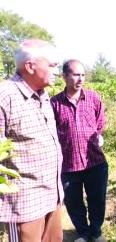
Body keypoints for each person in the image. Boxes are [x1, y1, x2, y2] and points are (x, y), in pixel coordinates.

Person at [0, 39, 64, 242]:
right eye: (52, 65)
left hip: (52, 196)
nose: (57, 71)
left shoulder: (43, 96)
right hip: (24, 204)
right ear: (30, 66)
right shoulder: (5, 96)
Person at [51, 59, 108, 242]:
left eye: (83, 75)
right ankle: (83, 233)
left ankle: (96, 231)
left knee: (97, 200)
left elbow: (100, 123)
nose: (80, 79)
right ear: (65, 76)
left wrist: (97, 136)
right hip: (68, 164)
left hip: (95, 161)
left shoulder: (93, 98)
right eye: (76, 74)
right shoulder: (54, 104)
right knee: (74, 202)